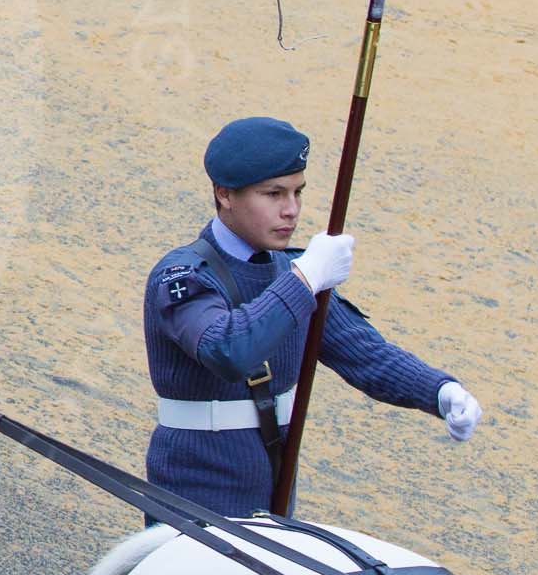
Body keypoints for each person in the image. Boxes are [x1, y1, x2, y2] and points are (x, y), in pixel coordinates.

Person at [144, 116, 483, 517]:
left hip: (273, 492)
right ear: (225, 194)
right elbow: (228, 350)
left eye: (297, 193)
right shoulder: (183, 276)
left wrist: (440, 391)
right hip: (194, 496)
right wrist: (307, 277)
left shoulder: (292, 273)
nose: (291, 211)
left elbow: (365, 354)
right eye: (273, 194)